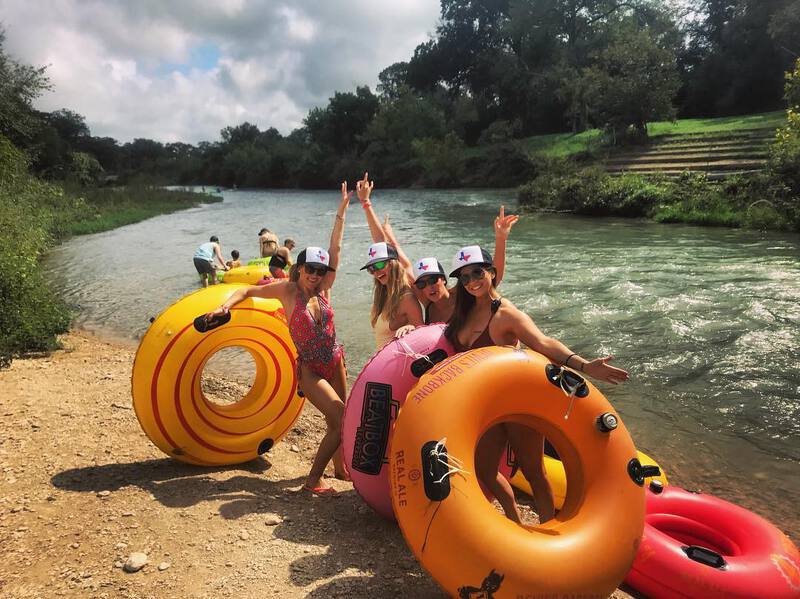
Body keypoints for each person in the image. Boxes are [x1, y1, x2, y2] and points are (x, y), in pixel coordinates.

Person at [445, 244, 630, 524]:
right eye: (464, 277)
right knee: (484, 470)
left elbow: (543, 343)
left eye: (477, 272)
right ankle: (514, 521)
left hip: (517, 402)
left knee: (534, 471)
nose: (471, 281)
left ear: (492, 273)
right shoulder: (463, 312)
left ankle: (546, 526)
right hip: (486, 405)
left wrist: (584, 366)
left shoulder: (504, 313)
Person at [205, 184, 352, 495]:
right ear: (297, 268)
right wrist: (224, 306)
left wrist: (342, 210)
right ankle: (313, 481)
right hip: (310, 369)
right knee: (341, 416)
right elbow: (246, 290)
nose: (315, 274)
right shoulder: (286, 290)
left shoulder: (325, 289)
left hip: (336, 359)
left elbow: (336, 249)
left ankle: (340, 468)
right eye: (310, 269)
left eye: (320, 270)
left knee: (340, 420)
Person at [382, 206, 518, 325]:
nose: (429, 287)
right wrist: (389, 235)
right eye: (422, 284)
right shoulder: (427, 301)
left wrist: (501, 238)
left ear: (444, 279)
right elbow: (404, 266)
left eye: (433, 280)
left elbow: (494, 277)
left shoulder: (461, 295)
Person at [356, 173, 424, 348]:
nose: (376, 272)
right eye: (371, 269)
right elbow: (381, 246)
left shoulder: (407, 294)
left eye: (379, 265)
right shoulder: (383, 294)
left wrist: (367, 204)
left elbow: (423, 335)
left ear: (394, 264)